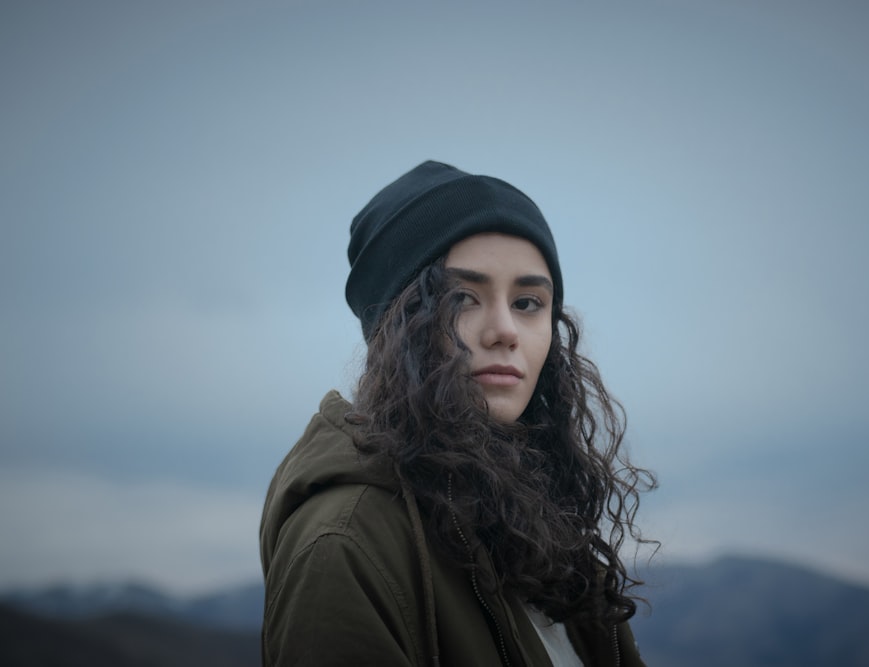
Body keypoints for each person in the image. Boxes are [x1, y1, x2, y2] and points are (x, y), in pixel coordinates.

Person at [260, 160, 656, 666]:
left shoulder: (539, 531)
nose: (504, 330)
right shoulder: (343, 546)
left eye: (529, 302)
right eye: (463, 297)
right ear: (395, 324)